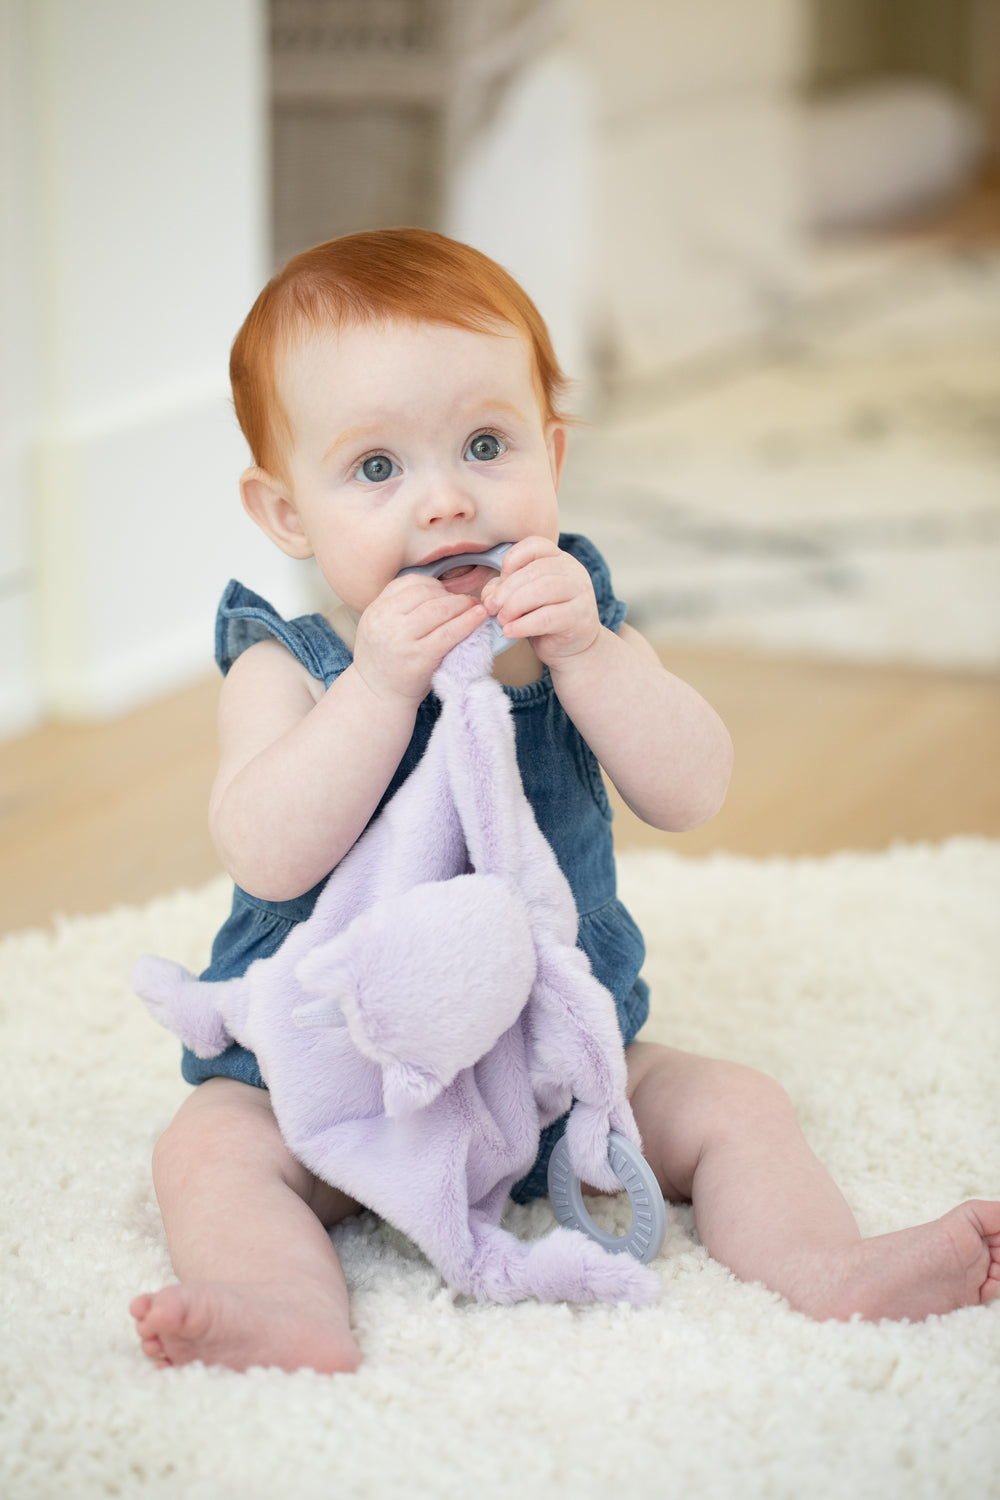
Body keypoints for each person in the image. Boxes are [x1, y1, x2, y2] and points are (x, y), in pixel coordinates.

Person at [131, 228, 1000, 1374]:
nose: (445, 503)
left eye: (484, 446)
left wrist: (593, 656)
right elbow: (267, 851)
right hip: (328, 1075)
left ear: (550, 453)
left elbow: (692, 790)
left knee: (735, 1103)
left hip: (552, 1064)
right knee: (204, 1152)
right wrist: (379, 691)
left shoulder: (569, 631)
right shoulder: (284, 664)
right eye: (377, 469)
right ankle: (281, 1302)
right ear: (287, 512)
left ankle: (823, 1266)